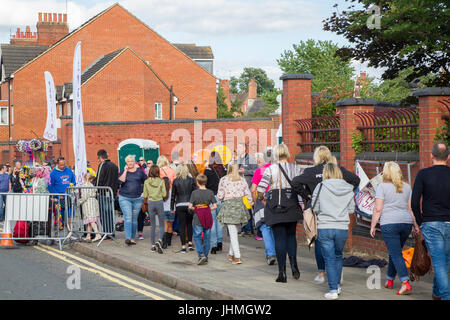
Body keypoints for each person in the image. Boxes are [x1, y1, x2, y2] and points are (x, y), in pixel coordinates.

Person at [292, 146, 360, 284]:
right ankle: (335, 275)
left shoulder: (310, 171)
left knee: (319, 241)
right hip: (337, 209)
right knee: (336, 250)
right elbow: (356, 180)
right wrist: (346, 193)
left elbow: (295, 182)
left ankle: (322, 272)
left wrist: (307, 196)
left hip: (318, 210)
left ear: (316, 157)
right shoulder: (338, 170)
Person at [370, 161, 419, 295]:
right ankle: (390, 280)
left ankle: (405, 282)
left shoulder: (382, 187)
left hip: (389, 223)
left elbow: (378, 209)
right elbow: (410, 209)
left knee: (396, 253)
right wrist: (415, 225)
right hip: (406, 223)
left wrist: (373, 225)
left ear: (386, 173)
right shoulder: (407, 187)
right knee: (395, 251)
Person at [257, 144, 302, 283]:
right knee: (291, 236)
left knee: (279, 238)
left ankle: (282, 272)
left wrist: (264, 198)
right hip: (292, 205)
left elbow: (260, 189)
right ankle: (294, 265)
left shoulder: (270, 169)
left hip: (275, 206)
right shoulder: (296, 168)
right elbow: (300, 187)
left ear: (275, 155)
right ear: (287, 153)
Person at [411, 142, 450, 300]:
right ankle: (437, 294)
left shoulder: (423, 174)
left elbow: (414, 202)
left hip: (431, 223)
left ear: (431, 155)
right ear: (448, 157)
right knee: (444, 261)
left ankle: (446, 296)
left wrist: (420, 222)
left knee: (439, 262)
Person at [311, 162, 355, 299]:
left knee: (329, 259)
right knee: (337, 256)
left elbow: (314, 207)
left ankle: (333, 290)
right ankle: (337, 286)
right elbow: (351, 209)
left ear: (326, 173)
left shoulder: (321, 186)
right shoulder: (348, 188)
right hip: (342, 227)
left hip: (325, 226)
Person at [217, 162, 253, 265]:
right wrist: (251, 203)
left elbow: (220, 195)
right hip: (239, 206)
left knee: (233, 233)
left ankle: (237, 257)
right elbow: (248, 193)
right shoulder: (242, 180)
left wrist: (222, 197)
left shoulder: (223, 180)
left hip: (228, 206)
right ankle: (231, 254)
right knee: (235, 232)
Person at [251, 150, 276, 265]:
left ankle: (270, 253)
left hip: (262, 200)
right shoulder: (277, 169)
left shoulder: (259, 171)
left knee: (265, 227)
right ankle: (273, 252)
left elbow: (253, 189)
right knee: (275, 228)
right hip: (276, 200)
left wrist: (256, 202)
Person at [118, 155, 147, 246]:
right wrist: (126, 170)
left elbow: (146, 182)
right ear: (126, 163)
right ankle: (128, 238)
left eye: (132, 161)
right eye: (128, 161)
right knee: (128, 217)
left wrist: (144, 193)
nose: (130, 163)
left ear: (134, 162)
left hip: (137, 199)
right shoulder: (123, 172)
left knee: (134, 219)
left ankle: (132, 238)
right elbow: (121, 181)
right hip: (125, 198)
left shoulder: (140, 172)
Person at [189, 174, 217, 265]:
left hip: (198, 217)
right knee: (207, 237)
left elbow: (190, 206)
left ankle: (201, 255)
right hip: (207, 216)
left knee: (197, 236)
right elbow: (215, 206)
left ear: (197, 182)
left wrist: (197, 209)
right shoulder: (210, 192)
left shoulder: (194, 193)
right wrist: (207, 208)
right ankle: (206, 256)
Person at [171, 164, 197, 253]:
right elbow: (195, 193)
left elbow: (173, 195)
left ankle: (183, 246)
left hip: (179, 204)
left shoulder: (175, 181)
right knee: (189, 224)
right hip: (189, 204)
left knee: (182, 226)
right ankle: (190, 243)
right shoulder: (191, 180)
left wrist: (171, 207)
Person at [204, 151, 226, 254]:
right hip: (221, 198)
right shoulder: (224, 170)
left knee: (212, 222)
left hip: (211, 198)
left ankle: (213, 246)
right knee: (219, 222)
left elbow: (205, 186)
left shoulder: (207, 171)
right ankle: (219, 242)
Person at [94, 149, 119, 238]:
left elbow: (99, 180)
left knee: (104, 214)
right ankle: (111, 232)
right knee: (110, 213)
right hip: (112, 193)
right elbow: (117, 180)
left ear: (100, 157)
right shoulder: (115, 166)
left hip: (103, 193)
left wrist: (96, 190)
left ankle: (106, 232)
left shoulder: (102, 165)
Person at [144, 165, 167, 253]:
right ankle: (160, 240)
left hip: (151, 203)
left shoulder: (146, 181)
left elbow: (145, 195)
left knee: (152, 225)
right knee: (161, 224)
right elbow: (164, 194)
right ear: (158, 172)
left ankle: (153, 245)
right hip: (159, 202)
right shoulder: (161, 181)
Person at [236, 142, 258, 236]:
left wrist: (246, 171)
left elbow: (256, 172)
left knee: (247, 208)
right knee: (241, 209)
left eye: (240, 147)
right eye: (237, 147)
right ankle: (243, 228)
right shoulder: (238, 160)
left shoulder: (251, 159)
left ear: (244, 148)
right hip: (239, 188)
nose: (238, 149)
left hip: (248, 188)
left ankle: (249, 229)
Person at [49, 157, 76, 228]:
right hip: (59, 197)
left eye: (64, 164)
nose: (63, 166)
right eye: (61, 165)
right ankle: (59, 232)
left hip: (68, 196)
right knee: (60, 216)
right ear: (57, 164)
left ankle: (69, 231)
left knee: (71, 214)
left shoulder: (69, 171)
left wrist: (72, 185)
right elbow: (50, 186)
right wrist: (57, 195)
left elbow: (73, 181)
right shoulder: (53, 173)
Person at [157, 156, 176, 248]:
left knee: (164, 223)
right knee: (170, 224)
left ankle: (164, 243)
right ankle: (169, 241)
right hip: (172, 200)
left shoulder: (159, 171)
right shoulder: (172, 170)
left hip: (163, 199)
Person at [80, 172, 102, 243]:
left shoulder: (84, 185)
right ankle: (88, 236)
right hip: (93, 202)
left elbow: (84, 196)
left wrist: (78, 202)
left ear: (84, 178)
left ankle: (97, 234)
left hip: (88, 204)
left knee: (91, 220)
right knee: (89, 221)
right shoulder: (92, 185)